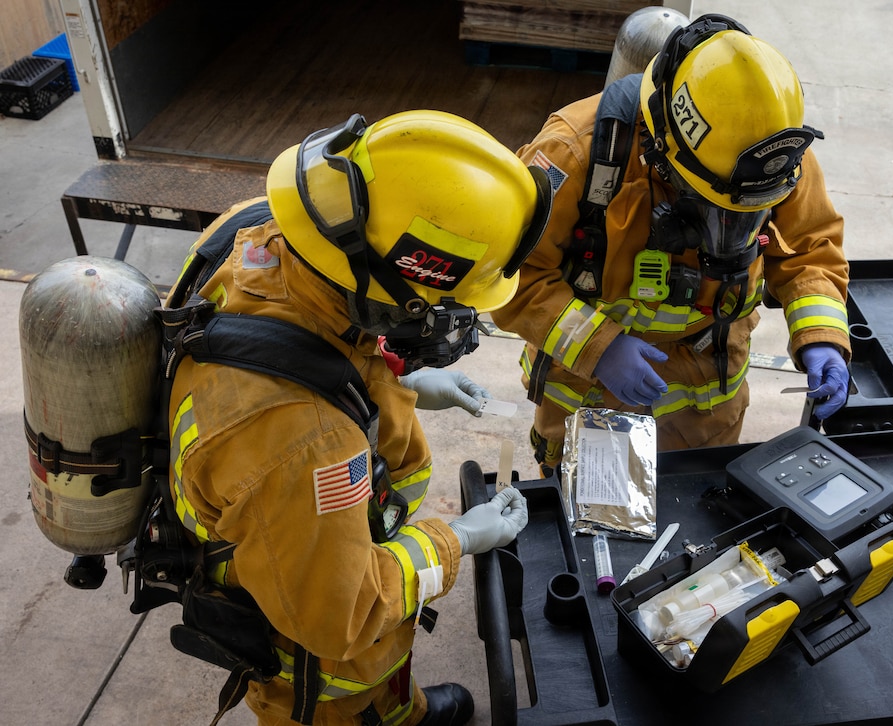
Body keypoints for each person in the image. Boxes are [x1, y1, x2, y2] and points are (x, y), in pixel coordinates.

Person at [165, 110, 552, 725]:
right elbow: (345, 614)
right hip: (315, 661)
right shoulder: (301, 442)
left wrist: (406, 384)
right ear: (394, 290)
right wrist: (461, 539)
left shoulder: (277, 236)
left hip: (309, 524)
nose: (455, 325)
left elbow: (312, 348)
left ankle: (405, 714)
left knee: (384, 676)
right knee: (347, 684)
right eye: (443, 309)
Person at [490, 14, 851, 473]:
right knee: (586, 517)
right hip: (589, 392)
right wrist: (598, 348)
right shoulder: (576, 153)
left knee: (701, 514)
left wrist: (822, 339)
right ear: (666, 143)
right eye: (711, 201)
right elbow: (511, 275)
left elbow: (810, 248)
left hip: (707, 393)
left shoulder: (768, 154)